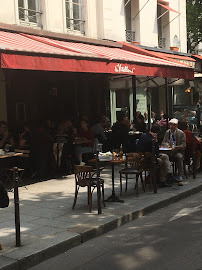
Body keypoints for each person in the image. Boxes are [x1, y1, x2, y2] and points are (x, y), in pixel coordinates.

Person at [162, 118, 186, 186]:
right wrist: (165, 144)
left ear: (176, 126)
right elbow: (164, 141)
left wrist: (177, 147)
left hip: (177, 151)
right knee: (163, 157)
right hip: (168, 151)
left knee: (179, 157)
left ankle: (180, 176)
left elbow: (183, 145)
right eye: (170, 125)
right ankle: (166, 176)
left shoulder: (181, 133)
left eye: (173, 125)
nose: (171, 127)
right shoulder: (167, 132)